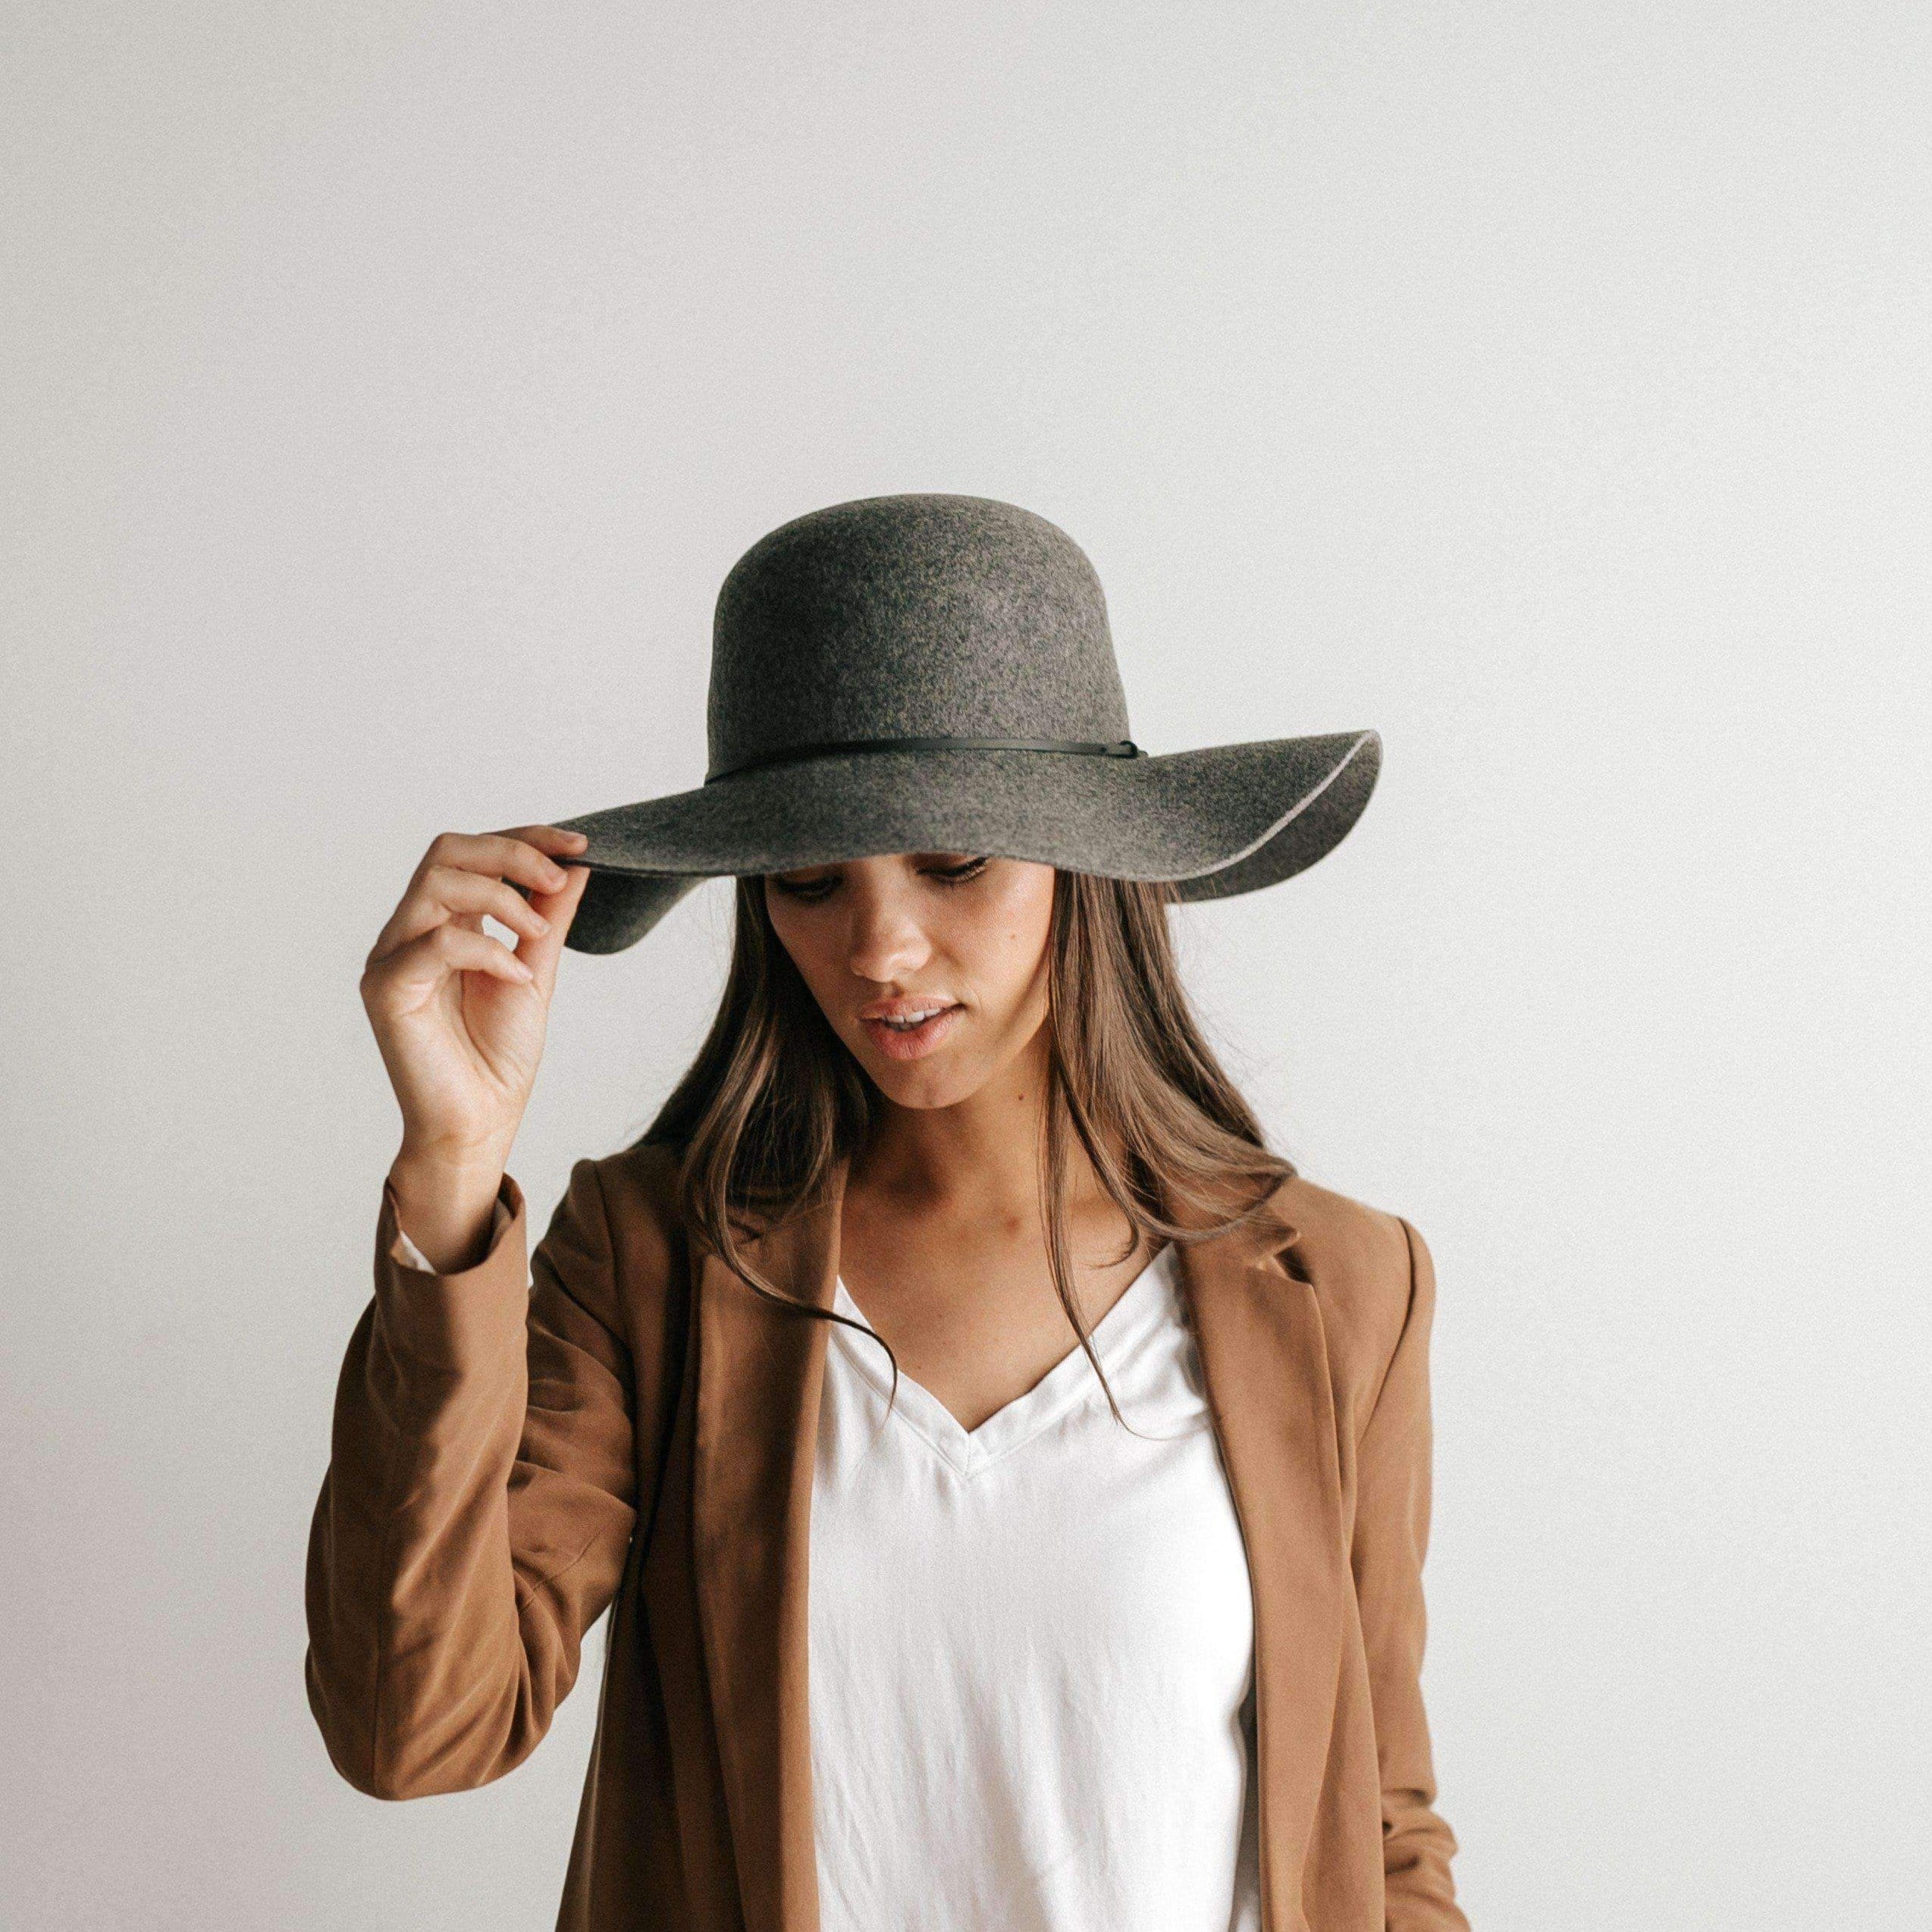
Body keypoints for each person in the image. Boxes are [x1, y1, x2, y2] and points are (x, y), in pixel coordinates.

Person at [304, 494, 1471, 1932]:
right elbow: (416, 1728)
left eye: (954, 861)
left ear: (1085, 859)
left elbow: (1378, 1831)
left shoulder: (1343, 1286)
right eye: (808, 878)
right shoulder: (658, 1262)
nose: (880, 948)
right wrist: (451, 1171)